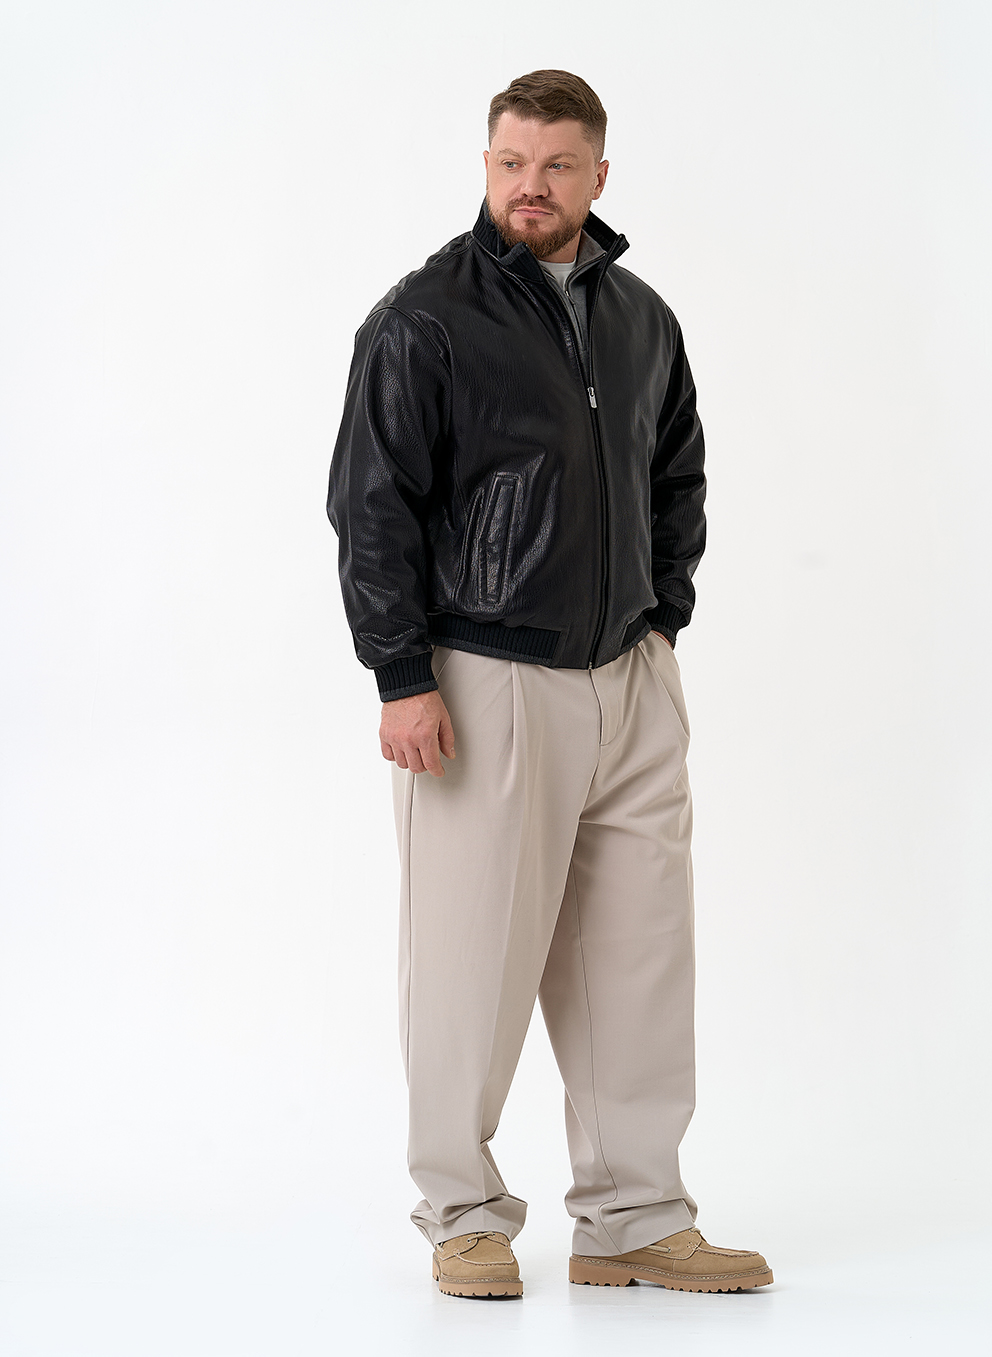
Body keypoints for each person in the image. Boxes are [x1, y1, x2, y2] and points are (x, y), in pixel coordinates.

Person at [327, 69, 772, 1298]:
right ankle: (462, 1213)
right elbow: (372, 507)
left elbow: (675, 472)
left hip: (629, 677)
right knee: (468, 964)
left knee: (639, 958)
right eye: (511, 162)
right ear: (487, 165)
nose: (531, 186)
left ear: (596, 175)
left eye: (556, 165)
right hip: (485, 681)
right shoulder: (422, 319)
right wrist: (401, 673)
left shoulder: (640, 318)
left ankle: (633, 1216)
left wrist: (660, 619)